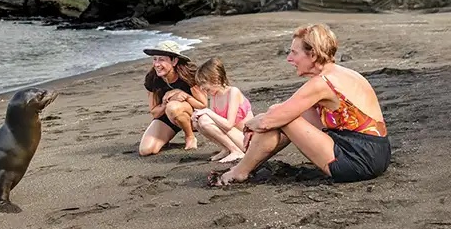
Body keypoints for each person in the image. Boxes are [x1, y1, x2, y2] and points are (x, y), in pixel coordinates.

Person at [208, 24, 391, 185]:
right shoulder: (341, 73)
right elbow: (279, 111)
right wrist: (269, 118)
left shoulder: (322, 83)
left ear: (312, 55)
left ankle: (240, 171)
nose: (289, 58)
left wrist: (249, 125)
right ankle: (247, 167)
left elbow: (270, 121)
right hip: (376, 153)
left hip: (359, 159)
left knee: (283, 119)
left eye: (294, 52)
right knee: (281, 114)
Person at [140, 40, 208, 156]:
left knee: (173, 107)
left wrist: (183, 95)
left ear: (174, 61)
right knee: (146, 150)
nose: (156, 64)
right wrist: (166, 102)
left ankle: (190, 137)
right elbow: (155, 113)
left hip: (192, 117)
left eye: (161, 59)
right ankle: (166, 137)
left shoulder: (189, 75)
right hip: (167, 116)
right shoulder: (152, 79)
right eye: (155, 59)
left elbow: (203, 105)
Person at [191, 58, 254, 163]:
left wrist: (207, 111)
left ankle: (236, 151)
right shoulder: (214, 96)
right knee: (198, 121)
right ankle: (226, 148)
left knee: (205, 119)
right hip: (235, 137)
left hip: (249, 141)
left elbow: (228, 125)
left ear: (215, 78)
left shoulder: (233, 92)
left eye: (203, 83)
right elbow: (213, 123)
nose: (201, 88)